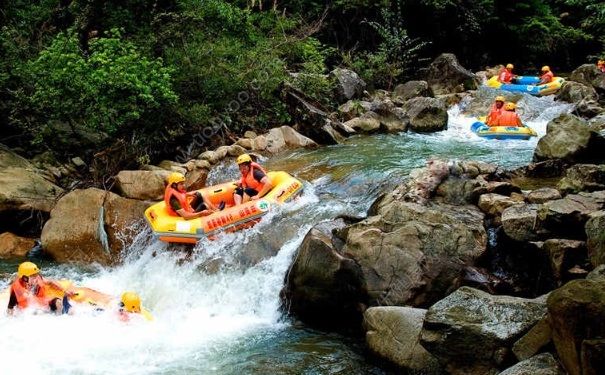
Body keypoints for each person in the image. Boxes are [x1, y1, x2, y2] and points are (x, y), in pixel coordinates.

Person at [7, 262, 73, 315]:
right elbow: (10, 308)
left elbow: (50, 282)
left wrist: (64, 291)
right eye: (33, 276)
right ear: (25, 278)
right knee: (37, 313)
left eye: (36, 275)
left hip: (44, 304)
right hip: (29, 312)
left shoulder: (39, 278)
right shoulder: (16, 289)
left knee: (59, 303)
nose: (36, 278)